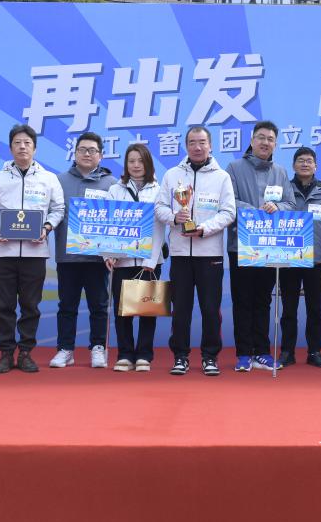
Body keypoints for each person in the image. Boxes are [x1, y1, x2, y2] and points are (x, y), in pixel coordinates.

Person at [0, 124, 64, 374]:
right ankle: (6, 353)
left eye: (27, 143)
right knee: (4, 305)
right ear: (10, 148)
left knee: (30, 305)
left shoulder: (49, 179)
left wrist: (46, 227)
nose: (22, 147)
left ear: (35, 148)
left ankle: (26, 352)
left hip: (35, 253)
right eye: (17, 143)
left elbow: (58, 209)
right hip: (4, 252)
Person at [155, 126, 236, 376]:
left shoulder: (221, 177)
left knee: (211, 309)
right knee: (181, 308)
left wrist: (204, 229)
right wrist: (175, 218)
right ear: (186, 146)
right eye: (192, 142)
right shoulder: (172, 175)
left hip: (210, 255)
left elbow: (229, 213)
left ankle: (210, 356)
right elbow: (159, 208)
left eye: (202, 142)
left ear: (210, 145)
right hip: (180, 254)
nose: (197, 147)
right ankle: (180, 356)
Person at [225, 120, 294, 372]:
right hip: (241, 246)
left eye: (270, 139)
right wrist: (254, 212)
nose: (265, 142)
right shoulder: (234, 168)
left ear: (275, 144)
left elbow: (290, 203)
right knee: (242, 300)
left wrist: (277, 207)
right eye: (261, 137)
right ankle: (244, 353)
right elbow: (228, 202)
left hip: (269, 247)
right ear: (252, 140)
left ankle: (262, 352)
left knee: (263, 300)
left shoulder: (280, 172)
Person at [51, 131, 117, 368]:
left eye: (92, 150)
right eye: (82, 150)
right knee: (66, 306)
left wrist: (113, 251)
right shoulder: (59, 181)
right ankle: (65, 349)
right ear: (75, 153)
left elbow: (116, 219)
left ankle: (98, 347)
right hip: (67, 256)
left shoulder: (111, 184)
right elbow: (52, 212)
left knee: (98, 305)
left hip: (98, 258)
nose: (87, 154)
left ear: (101, 155)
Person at [106, 143, 165, 372]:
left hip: (150, 261)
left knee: (147, 309)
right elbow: (108, 224)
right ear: (126, 164)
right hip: (122, 260)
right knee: (123, 310)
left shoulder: (159, 190)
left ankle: (144, 355)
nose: (136, 165)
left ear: (148, 163)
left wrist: (151, 260)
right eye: (131, 161)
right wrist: (108, 255)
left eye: (140, 161)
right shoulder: (115, 190)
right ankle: (125, 354)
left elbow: (159, 228)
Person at [280, 147, 321, 368]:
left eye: (309, 161)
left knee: (315, 309)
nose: (305, 164)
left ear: (316, 166)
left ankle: (314, 351)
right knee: (288, 308)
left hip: (316, 259)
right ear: (293, 165)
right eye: (301, 160)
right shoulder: (284, 189)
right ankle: (287, 352)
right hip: (289, 258)